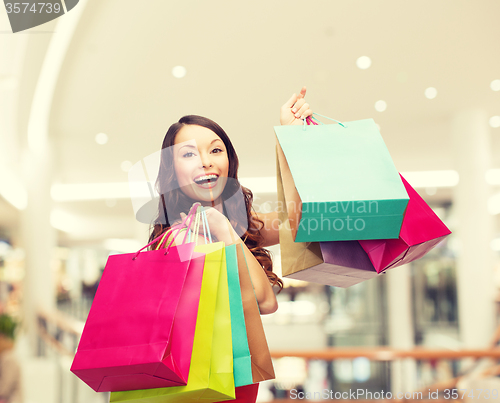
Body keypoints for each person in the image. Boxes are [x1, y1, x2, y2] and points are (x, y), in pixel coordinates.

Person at [147, 86, 313, 402]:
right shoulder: (183, 239)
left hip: (229, 377)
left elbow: (295, 219)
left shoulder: (235, 221)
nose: (206, 162)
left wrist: (290, 139)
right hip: (203, 384)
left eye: (215, 150)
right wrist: (225, 231)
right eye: (188, 154)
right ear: (172, 171)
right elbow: (265, 301)